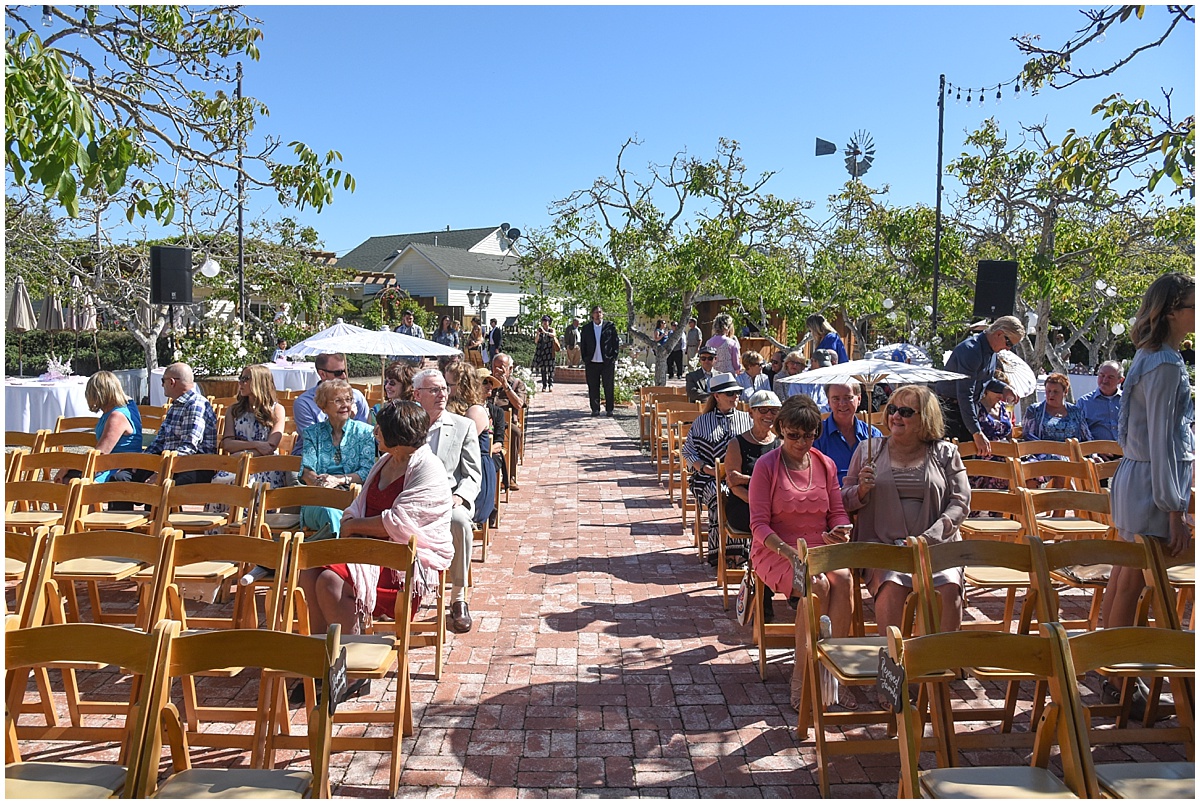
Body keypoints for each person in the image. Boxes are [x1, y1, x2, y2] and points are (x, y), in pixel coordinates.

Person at [295, 401, 452, 701]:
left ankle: (353, 671)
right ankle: (323, 662)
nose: (374, 432)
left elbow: (401, 522)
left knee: (330, 582)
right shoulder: (385, 461)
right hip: (366, 550)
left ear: (398, 435)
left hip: (400, 564)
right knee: (310, 572)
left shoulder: (428, 468)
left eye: (380, 428)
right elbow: (358, 505)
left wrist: (355, 526)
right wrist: (352, 522)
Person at [748, 394, 853, 712]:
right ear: (781, 429)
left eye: (808, 435)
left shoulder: (825, 464)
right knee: (816, 586)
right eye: (793, 435)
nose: (801, 442)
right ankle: (802, 675)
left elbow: (837, 512)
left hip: (818, 546)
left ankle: (833, 672)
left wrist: (841, 529)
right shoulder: (767, 466)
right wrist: (789, 552)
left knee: (844, 580)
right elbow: (758, 525)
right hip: (775, 549)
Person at [1105, 272, 1194, 633]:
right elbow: (1162, 440)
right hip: (1150, 486)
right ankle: (1116, 663)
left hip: (1139, 476)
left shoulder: (1149, 355)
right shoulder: (1166, 364)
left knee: (1123, 575)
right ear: (1172, 311)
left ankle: (1108, 657)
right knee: (1132, 582)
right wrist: (1174, 509)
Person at [842, 385, 971, 635]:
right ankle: (893, 655)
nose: (895, 416)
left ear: (926, 418)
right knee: (892, 583)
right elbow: (843, 500)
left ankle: (943, 655)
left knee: (948, 587)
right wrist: (861, 491)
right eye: (892, 409)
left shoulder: (946, 453)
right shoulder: (868, 450)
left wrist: (929, 538)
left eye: (905, 411)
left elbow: (961, 502)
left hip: (936, 547)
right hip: (882, 546)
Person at [412, 368, 483, 634]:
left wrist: (459, 497)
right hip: (412, 499)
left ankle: (458, 597)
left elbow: (473, 474)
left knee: (459, 521)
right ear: (417, 395)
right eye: (434, 390)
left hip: (449, 498)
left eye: (444, 388)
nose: (442, 394)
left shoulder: (462, 426)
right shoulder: (407, 423)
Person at [681, 372, 752, 563]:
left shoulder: (747, 419)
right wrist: (708, 469)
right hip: (707, 477)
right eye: (730, 393)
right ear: (717, 396)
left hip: (740, 476)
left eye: (737, 393)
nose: (735, 397)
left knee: (747, 496)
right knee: (719, 495)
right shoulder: (701, 422)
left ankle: (742, 552)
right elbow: (688, 452)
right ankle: (722, 553)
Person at [935, 315, 1026, 457]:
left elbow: (984, 380)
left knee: (968, 464)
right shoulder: (972, 350)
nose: (1008, 349)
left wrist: (1004, 388)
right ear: (999, 334)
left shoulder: (991, 352)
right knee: (953, 462)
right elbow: (965, 394)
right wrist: (976, 432)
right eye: (1009, 343)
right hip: (950, 413)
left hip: (964, 412)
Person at [299, 379, 377, 537]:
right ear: (323, 406)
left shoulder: (365, 432)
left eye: (348, 399)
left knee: (344, 515)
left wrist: (339, 480)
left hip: (354, 499)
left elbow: (367, 471)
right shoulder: (312, 433)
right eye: (338, 401)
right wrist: (322, 484)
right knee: (330, 512)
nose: (345, 405)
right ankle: (340, 549)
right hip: (319, 499)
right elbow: (306, 471)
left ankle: (327, 548)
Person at [136, 362, 217, 486]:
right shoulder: (175, 406)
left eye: (163, 381)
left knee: (159, 487)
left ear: (172, 382)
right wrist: (141, 462)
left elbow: (189, 447)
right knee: (122, 477)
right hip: (170, 462)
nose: (162, 385)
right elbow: (159, 442)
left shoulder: (196, 404)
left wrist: (163, 471)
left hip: (194, 465)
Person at [57, 371, 143, 484]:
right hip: (112, 462)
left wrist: (67, 467)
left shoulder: (117, 417)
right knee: (69, 476)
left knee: (69, 480)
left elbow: (100, 453)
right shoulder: (125, 405)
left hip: (118, 466)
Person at [443, 359, 497, 526]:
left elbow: (455, 445)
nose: (444, 389)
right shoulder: (448, 407)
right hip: (455, 469)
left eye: (448, 385)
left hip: (473, 474)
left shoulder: (475, 411)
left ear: (462, 386)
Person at [218, 364, 288, 489]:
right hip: (238, 462)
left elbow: (270, 447)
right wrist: (256, 445)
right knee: (219, 482)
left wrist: (243, 453)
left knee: (248, 485)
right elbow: (227, 444)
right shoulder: (233, 410)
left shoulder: (276, 410)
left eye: (246, 379)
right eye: (240, 378)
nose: (240, 382)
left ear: (259, 382)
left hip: (265, 463)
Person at [722, 389, 781, 535]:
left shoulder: (780, 444)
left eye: (774, 410)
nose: (769, 415)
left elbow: (781, 482)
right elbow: (734, 484)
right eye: (763, 410)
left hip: (775, 504)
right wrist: (758, 502)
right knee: (767, 523)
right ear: (751, 413)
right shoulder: (736, 443)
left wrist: (746, 479)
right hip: (745, 504)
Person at [292, 352, 370, 451]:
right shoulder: (304, 403)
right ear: (322, 374)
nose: (344, 376)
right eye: (338, 373)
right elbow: (315, 441)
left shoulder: (357, 396)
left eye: (345, 371)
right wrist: (345, 420)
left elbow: (365, 436)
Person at [814, 381, 882, 487]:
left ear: (859, 399)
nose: (842, 403)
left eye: (848, 398)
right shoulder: (817, 435)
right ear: (828, 402)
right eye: (836, 399)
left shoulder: (873, 435)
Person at [1021, 372, 1092, 467]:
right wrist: (1050, 453)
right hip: (1042, 458)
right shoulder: (1034, 410)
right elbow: (1028, 436)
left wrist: (1093, 454)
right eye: (1048, 391)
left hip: (1072, 458)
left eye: (1055, 391)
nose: (1051, 394)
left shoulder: (1076, 411)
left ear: (1065, 392)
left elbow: (1086, 437)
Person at [485, 352, 528, 490]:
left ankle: (510, 476)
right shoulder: (487, 381)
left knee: (515, 432)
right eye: (495, 367)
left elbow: (519, 404)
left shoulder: (517, 384)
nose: (498, 370)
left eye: (502, 367)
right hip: (487, 420)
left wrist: (505, 386)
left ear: (510, 368)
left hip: (507, 423)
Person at [969, 378, 1017, 491]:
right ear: (987, 389)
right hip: (985, 457)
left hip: (1004, 456)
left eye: (1003, 392)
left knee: (1029, 468)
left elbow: (1010, 434)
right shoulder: (977, 408)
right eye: (998, 390)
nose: (1001, 395)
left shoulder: (1004, 407)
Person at [580, 305, 620, 417]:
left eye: (600, 312)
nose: (598, 314)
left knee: (608, 386)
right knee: (593, 387)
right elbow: (583, 344)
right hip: (592, 362)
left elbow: (615, 342)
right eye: (596, 312)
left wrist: (613, 357)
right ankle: (595, 409)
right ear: (592, 315)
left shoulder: (610, 326)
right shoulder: (587, 328)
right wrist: (585, 358)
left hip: (607, 362)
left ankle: (609, 409)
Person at [1076, 361, 1123, 443]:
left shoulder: (1128, 401)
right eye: (1102, 375)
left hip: (1125, 450)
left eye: (1110, 377)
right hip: (1094, 450)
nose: (1105, 380)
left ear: (1120, 380)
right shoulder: (1084, 403)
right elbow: (1077, 433)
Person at [532, 314, 561, 393]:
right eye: (543, 321)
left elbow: (554, 335)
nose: (544, 322)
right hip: (542, 352)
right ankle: (544, 385)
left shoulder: (551, 330)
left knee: (551, 369)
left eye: (546, 321)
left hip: (550, 352)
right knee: (543, 370)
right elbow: (536, 341)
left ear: (549, 322)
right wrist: (538, 334)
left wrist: (545, 332)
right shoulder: (540, 330)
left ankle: (550, 385)